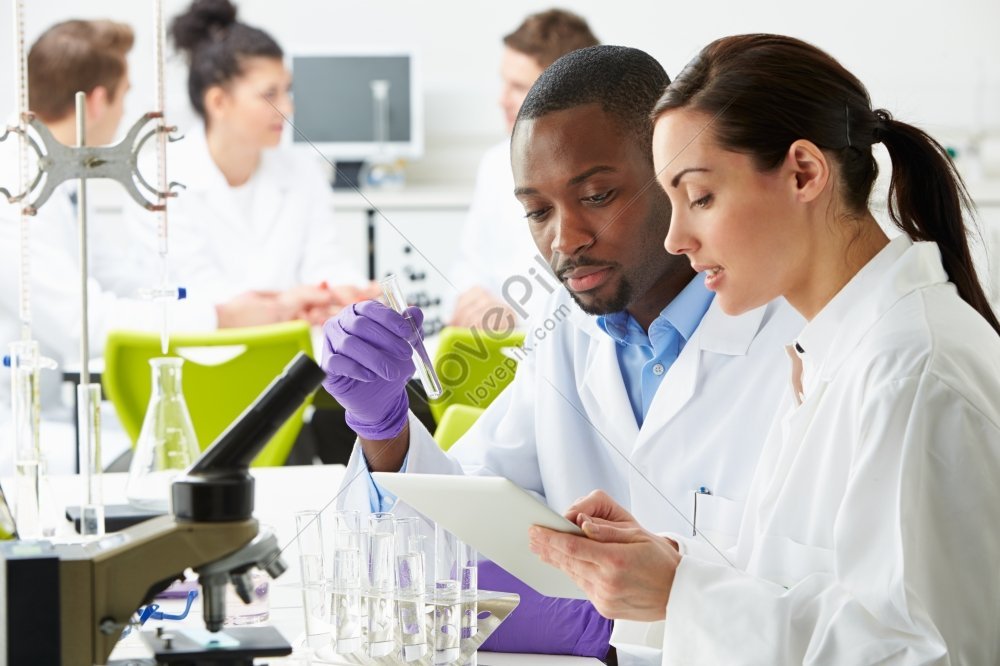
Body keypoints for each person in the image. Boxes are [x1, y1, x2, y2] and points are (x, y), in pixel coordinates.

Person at [321, 46, 803, 662]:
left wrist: (648, 619)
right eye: (538, 211)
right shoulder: (567, 331)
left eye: (598, 195)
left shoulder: (793, 338)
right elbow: (456, 530)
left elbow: (847, 613)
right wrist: (383, 429)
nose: (565, 239)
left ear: (674, 175)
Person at [529, 34, 1000, 664]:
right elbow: (805, 590)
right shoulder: (834, 353)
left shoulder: (912, 370)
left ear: (803, 173)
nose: (675, 239)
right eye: (669, 202)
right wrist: (671, 565)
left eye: (699, 197)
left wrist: (684, 594)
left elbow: (934, 653)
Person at [0, 20, 313, 475]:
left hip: (57, 412)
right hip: (25, 429)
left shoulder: (62, 180)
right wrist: (220, 317)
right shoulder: (17, 191)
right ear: (99, 99)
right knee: (191, 458)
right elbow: (81, 323)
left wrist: (230, 305)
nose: (127, 113)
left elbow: (120, 278)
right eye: (126, 95)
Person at [155, 0, 372, 317]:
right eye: (270, 94)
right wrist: (287, 306)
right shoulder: (160, 177)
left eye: (287, 91)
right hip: (200, 358)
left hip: (293, 353)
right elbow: (194, 293)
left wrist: (347, 291)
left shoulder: (301, 169)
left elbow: (324, 259)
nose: (287, 107)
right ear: (218, 101)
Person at [447, 9, 598, 330]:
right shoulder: (495, 164)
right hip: (492, 345)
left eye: (517, 86)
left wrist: (514, 316)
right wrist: (472, 298)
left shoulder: (602, 175)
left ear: (563, 93)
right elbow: (469, 264)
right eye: (504, 83)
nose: (502, 99)